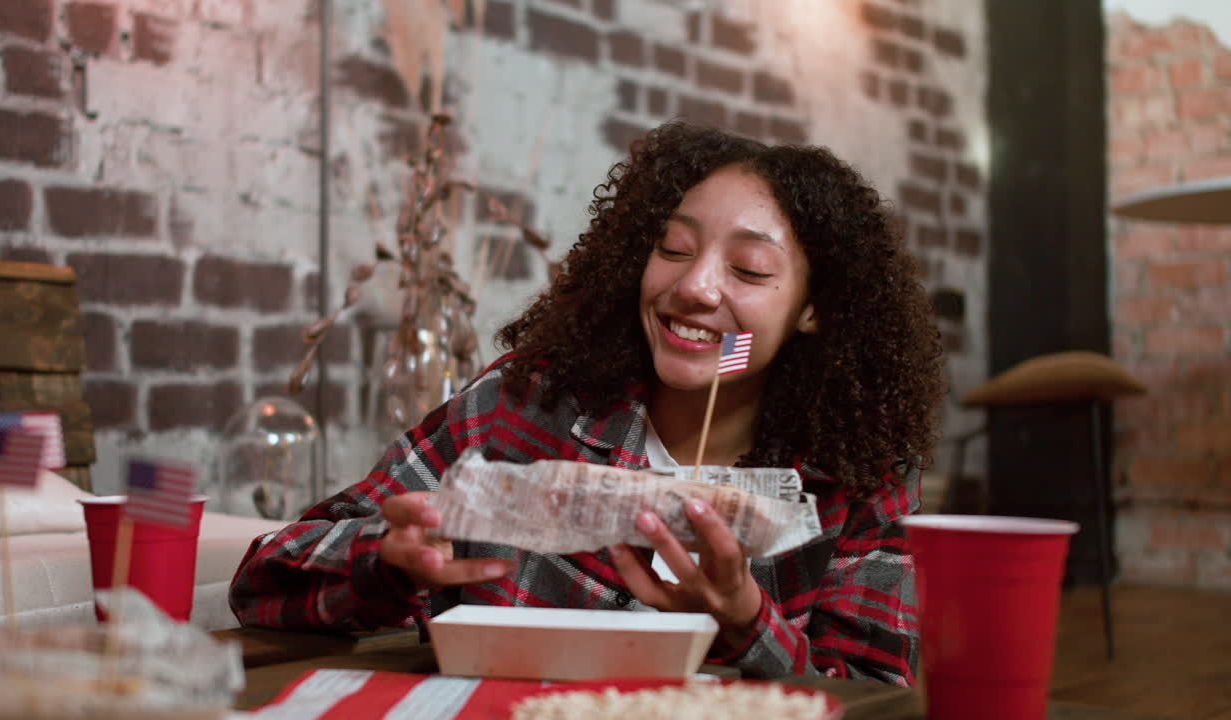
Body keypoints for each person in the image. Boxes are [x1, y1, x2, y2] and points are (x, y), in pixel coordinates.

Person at [229, 121, 945, 685]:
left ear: (814, 309)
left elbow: (874, 693)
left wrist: (746, 621)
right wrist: (389, 559)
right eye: (672, 249)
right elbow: (265, 581)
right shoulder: (523, 405)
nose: (694, 286)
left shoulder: (859, 475)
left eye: (748, 268)